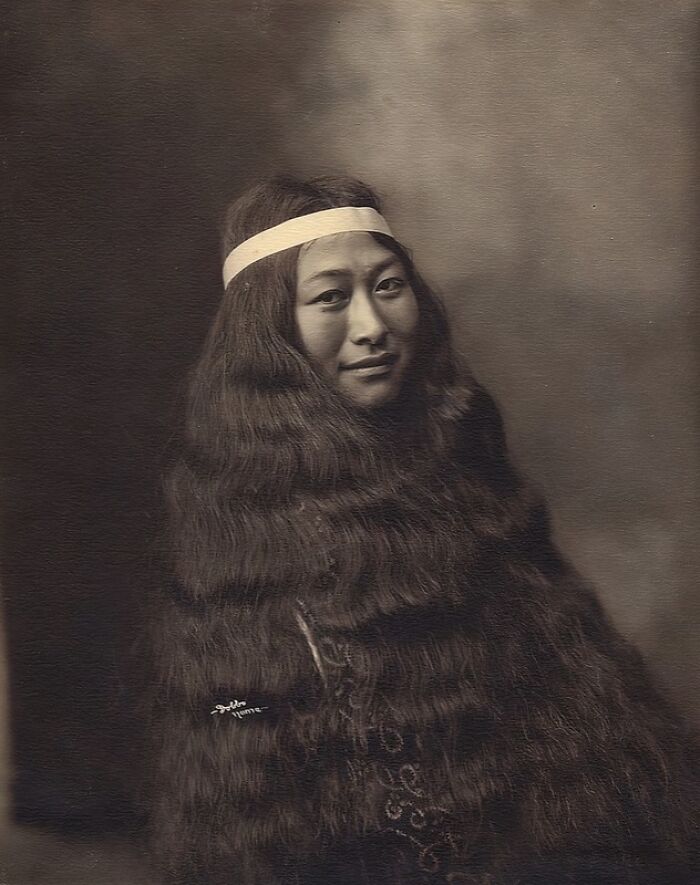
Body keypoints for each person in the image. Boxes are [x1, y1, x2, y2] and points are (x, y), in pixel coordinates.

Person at [145, 174, 700, 885]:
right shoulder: (240, 528)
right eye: (330, 298)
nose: (372, 327)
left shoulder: (466, 476)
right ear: (272, 338)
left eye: (388, 286)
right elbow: (228, 713)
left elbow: (572, 703)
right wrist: (267, 706)